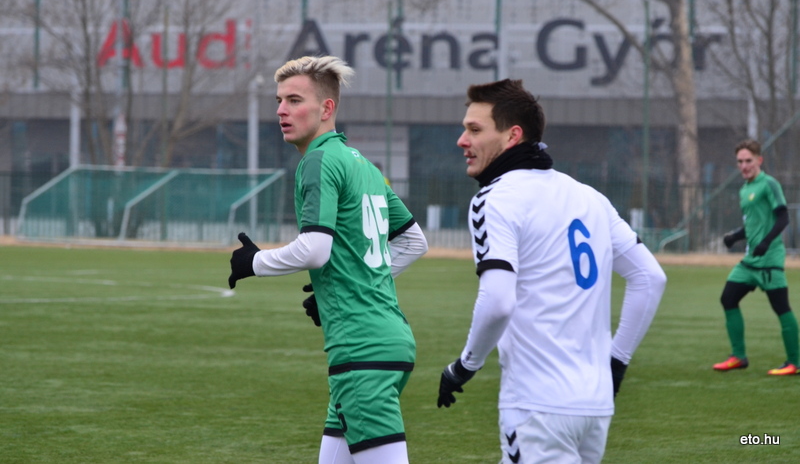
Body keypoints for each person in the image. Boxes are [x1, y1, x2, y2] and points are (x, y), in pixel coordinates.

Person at [436, 79, 666, 464]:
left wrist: (463, 367)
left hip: (536, 404)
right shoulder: (589, 196)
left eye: (474, 130)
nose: (462, 140)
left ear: (512, 136)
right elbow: (650, 277)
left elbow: (497, 302)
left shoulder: (494, 200)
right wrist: (616, 364)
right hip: (594, 406)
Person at [228, 56, 428, 464]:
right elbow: (413, 242)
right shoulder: (363, 166)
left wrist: (255, 262)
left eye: (295, 99)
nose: (282, 110)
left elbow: (316, 249)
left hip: (362, 349)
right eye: (280, 100)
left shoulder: (318, 160)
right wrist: (354, 279)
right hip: (386, 342)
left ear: (326, 109)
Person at [714, 139, 798, 375]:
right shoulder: (745, 189)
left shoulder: (768, 184)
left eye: (748, 161)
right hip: (750, 262)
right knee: (728, 298)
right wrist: (735, 236)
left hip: (769, 261)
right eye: (740, 162)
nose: (744, 166)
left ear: (759, 160)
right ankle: (738, 357)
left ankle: (795, 362)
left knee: (781, 308)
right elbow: (753, 225)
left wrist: (765, 243)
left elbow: (783, 218)